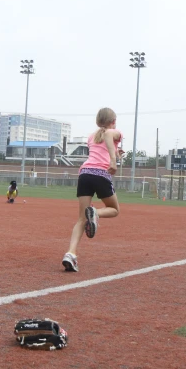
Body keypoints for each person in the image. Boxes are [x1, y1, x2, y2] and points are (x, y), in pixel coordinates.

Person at [61, 108, 123, 272]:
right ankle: (96, 213)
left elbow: (102, 148)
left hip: (85, 174)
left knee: (81, 219)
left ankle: (70, 253)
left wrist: (117, 155)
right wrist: (113, 160)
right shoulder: (114, 132)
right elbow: (109, 136)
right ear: (112, 121)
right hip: (100, 174)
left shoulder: (91, 136)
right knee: (114, 210)